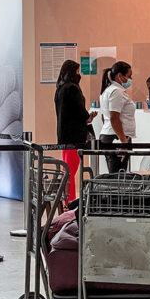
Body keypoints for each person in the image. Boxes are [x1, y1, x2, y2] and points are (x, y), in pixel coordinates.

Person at [54, 60, 97, 202]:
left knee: (67, 169)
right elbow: (79, 111)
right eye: (78, 71)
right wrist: (88, 117)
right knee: (71, 171)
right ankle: (69, 201)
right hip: (75, 136)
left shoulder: (59, 89)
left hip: (64, 135)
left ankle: (66, 200)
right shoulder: (73, 88)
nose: (80, 75)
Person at [99, 61, 135, 173]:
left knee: (117, 174)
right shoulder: (117, 92)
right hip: (116, 138)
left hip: (112, 135)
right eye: (129, 76)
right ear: (119, 76)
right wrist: (123, 140)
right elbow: (114, 117)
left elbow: (104, 117)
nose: (131, 79)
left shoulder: (109, 90)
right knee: (118, 175)